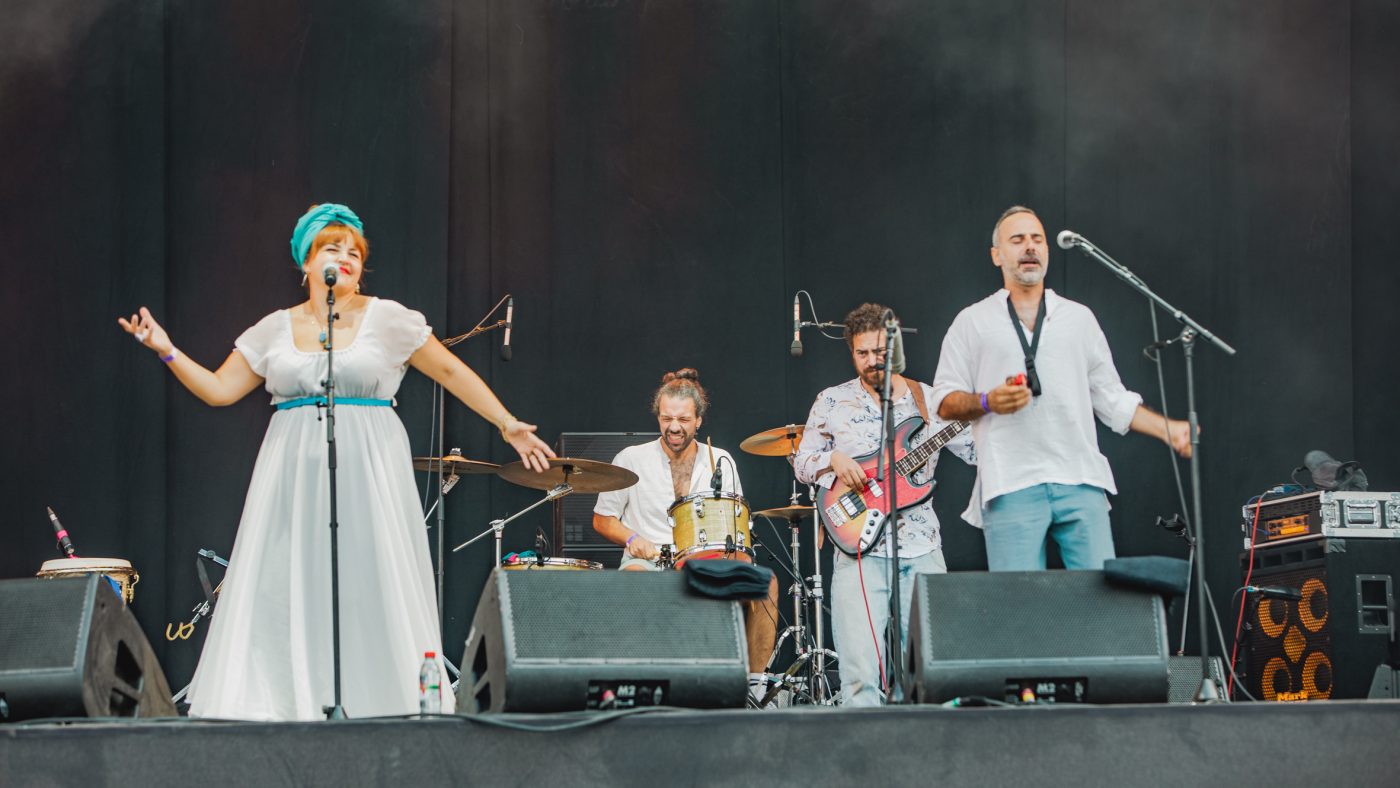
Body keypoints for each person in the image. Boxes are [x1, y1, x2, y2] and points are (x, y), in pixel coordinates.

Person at [117, 203, 554, 720]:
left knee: (370, 577)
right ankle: (285, 703)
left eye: (354, 252)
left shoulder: (388, 318)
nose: (344, 258)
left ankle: (385, 702)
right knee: (291, 579)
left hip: (370, 469)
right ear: (306, 262)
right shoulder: (273, 329)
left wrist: (506, 422)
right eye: (331, 248)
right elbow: (219, 390)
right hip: (291, 474)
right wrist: (168, 350)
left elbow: (452, 374)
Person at [930, 205, 1192, 572]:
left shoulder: (1078, 318)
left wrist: (1169, 429)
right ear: (996, 255)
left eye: (1037, 239)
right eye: (1017, 239)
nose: (1030, 247)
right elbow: (943, 400)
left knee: (1098, 604)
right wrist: (989, 401)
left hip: (1080, 477)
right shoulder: (972, 321)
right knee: (1022, 607)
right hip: (1010, 480)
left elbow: (1112, 399)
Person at [793, 304, 976, 707]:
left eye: (881, 351)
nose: (874, 361)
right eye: (863, 353)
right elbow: (802, 462)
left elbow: (975, 451)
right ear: (851, 353)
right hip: (859, 548)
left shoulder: (927, 398)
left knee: (935, 673)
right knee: (859, 678)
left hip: (922, 544)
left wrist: (993, 414)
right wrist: (832, 460)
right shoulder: (832, 401)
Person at [592, 369, 779, 702]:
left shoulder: (721, 460)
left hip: (701, 561)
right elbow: (603, 519)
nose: (674, 426)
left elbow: (733, 526)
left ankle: (753, 687)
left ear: (698, 420)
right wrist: (633, 540)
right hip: (645, 559)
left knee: (767, 585)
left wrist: (741, 560)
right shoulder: (631, 458)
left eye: (682, 419)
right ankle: (641, 686)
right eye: (666, 418)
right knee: (635, 581)